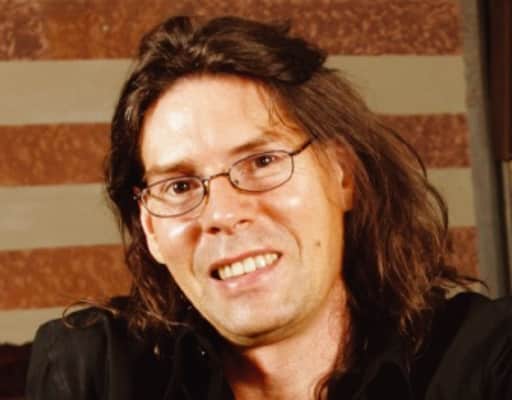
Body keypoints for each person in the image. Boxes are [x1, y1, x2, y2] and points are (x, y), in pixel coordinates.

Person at [26, 16, 511, 400]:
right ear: (150, 228)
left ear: (343, 175)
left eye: (262, 161)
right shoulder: (93, 370)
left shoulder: (485, 356)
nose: (222, 213)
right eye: (179, 185)